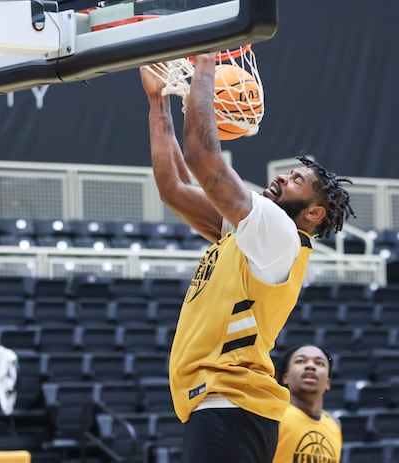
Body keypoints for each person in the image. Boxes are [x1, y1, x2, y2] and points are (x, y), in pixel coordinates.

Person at [140, 52, 354, 463]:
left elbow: (204, 161)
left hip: (232, 403)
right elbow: (173, 186)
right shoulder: (254, 234)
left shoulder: (278, 232)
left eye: (295, 181)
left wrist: (205, 64)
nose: (281, 178)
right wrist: (157, 101)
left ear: (313, 213)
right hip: (226, 406)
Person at [273, 344, 342, 463]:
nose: (310, 366)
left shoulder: (335, 425)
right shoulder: (273, 415)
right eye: (300, 361)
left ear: (327, 383)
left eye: (319, 363)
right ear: (286, 377)